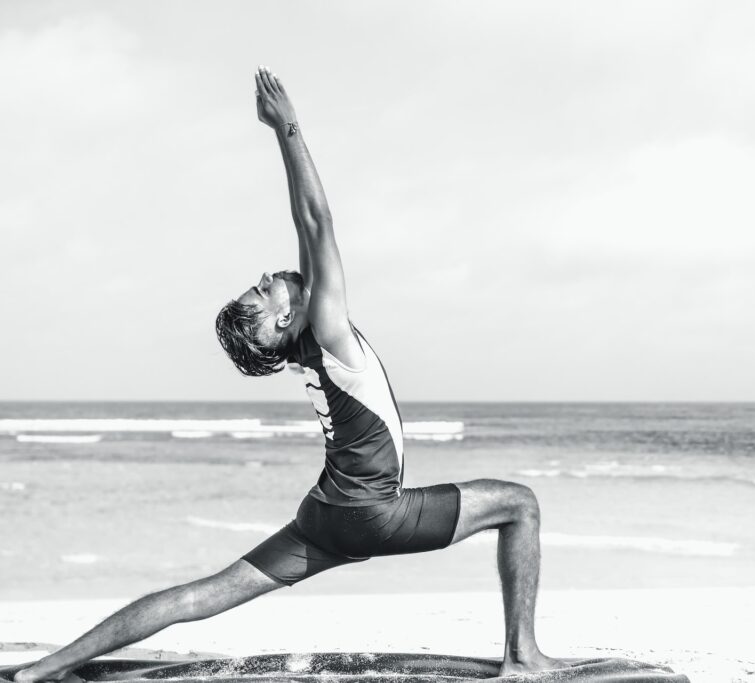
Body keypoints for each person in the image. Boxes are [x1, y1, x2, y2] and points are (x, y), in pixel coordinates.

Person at [15, 66, 563, 683]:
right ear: (281, 321)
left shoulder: (306, 345)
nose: (270, 275)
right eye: (262, 288)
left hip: (323, 515)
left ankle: (46, 669)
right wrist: (287, 128)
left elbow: (306, 229)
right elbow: (318, 222)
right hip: (372, 513)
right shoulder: (326, 332)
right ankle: (524, 658)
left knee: (200, 596)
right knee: (520, 504)